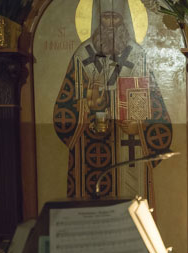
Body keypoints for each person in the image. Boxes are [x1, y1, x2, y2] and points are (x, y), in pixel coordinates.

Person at [53, 0, 172, 198]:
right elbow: (62, 112)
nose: (110, 23)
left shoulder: (138, 56)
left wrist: (141, 126)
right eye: (105, 17)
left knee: (132, 209)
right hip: (91, 151)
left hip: (130, 153)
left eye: (115, 17)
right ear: (97, 20)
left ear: (124, 20)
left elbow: (156, 108)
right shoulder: (82, 56)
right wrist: (87, 107)